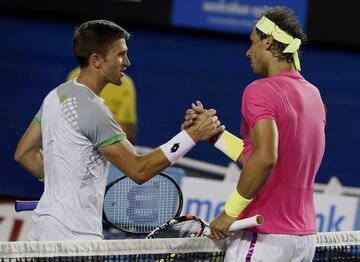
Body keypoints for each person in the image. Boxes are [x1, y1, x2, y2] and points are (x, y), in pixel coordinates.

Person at [14, 20, 224, 241]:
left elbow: (24, 153)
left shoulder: (56, 95)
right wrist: (191, 136)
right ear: (96, 60)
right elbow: (139, 170)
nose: (127, 62)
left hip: (41, 232)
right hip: (74, 239)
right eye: (121, 55)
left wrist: (66, 185)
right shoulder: (94, 111)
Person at [185, 7, 326, 262]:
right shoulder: (314, 96)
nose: (248, 52)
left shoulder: (260, 90)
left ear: (268, 41)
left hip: (263, 237)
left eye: (252, 43)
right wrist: (216, 136)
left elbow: (265, 159)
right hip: (304, 242)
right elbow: (268, 158)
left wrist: (230, 213)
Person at [67, 68, 137, 144]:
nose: (127, 62)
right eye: (120, 55)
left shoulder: (74, 76)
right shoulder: (124, 83)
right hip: (110, 148)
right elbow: (128, 132)